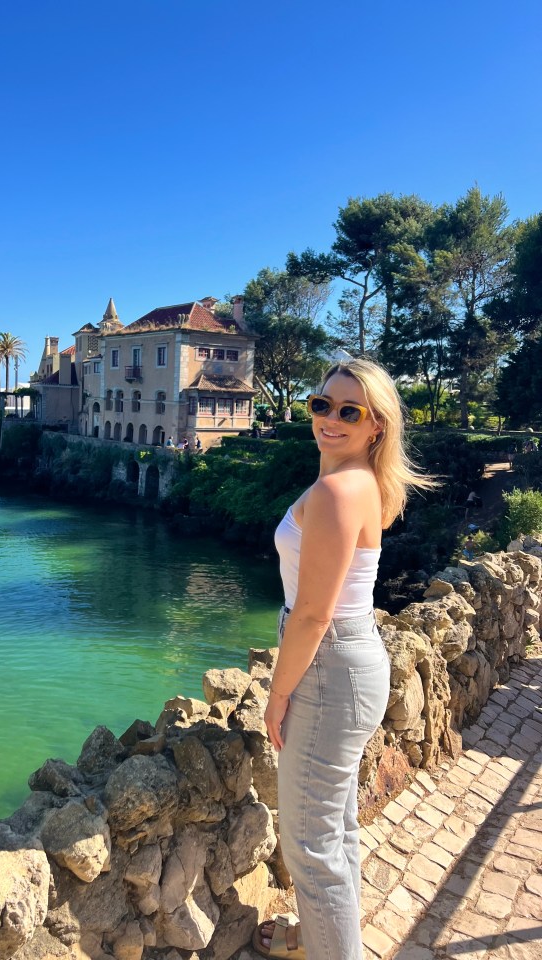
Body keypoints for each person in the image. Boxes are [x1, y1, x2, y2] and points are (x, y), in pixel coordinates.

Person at [252, 358, 436, 960]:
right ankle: (327, 938)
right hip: (350, 662)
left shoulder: (336, 490)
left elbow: (311, 615)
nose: (330, 419)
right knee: (335, 827)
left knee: (310, 841)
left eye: (349, 411)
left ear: (376, 425)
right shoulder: (363, 482)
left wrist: (278, 694)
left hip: (328, 667)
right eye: (321, 405)